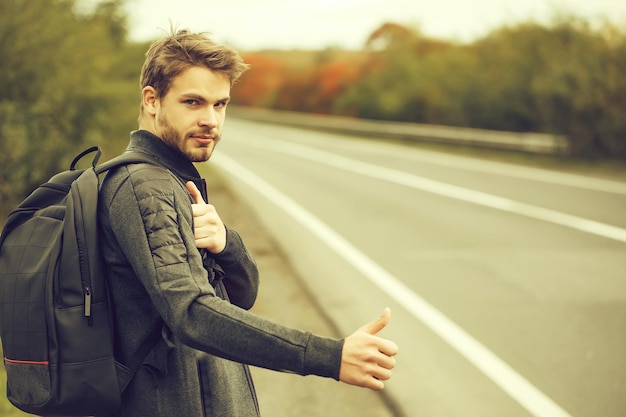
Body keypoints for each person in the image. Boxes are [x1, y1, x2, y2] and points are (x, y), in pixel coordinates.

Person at [98, 29, 398, 417]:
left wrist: (227, 244)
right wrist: (329, 355)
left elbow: (239, 296)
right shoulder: (145, 188)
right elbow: (191, 313)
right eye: (193, 102)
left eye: (220, 105)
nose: (210, 120)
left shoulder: (173, 179)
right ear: (152, 100)